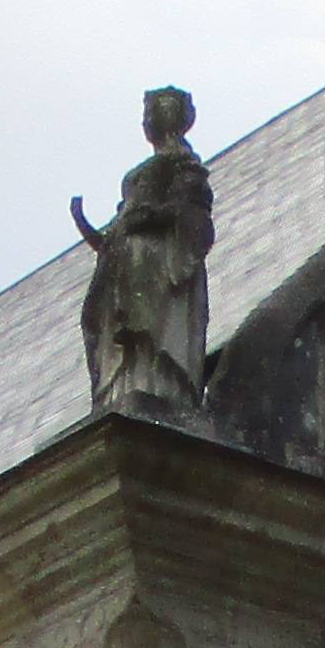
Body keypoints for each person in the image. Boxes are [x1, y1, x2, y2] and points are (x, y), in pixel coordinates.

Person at [72, 87, 212, 414]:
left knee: (147, 334)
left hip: (153, 261)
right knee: (105, 325)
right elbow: (113, 233)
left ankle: (155, 386)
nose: (153, 119)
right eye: (150, 113)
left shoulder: (184, 164)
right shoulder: (149, 171)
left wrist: (150, 218)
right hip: (124, 262)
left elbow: (192, 215)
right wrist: (88, 225)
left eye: (160, 111)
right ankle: (122, 390)